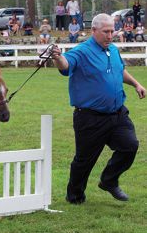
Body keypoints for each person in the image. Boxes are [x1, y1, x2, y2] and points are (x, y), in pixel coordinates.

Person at [52, 13, 146, 204]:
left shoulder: (112, 49)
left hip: (117, 114)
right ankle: (75, 196)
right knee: (84, 160)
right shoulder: (82, 51)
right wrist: (57, 57)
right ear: (93, 31)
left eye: (112, 31)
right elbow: (66, 65)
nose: (110, 35)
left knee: (130, 146)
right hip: (90, 118)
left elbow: (120, 70)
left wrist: (136, 84)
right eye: (106, 32)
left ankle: (109, 181)